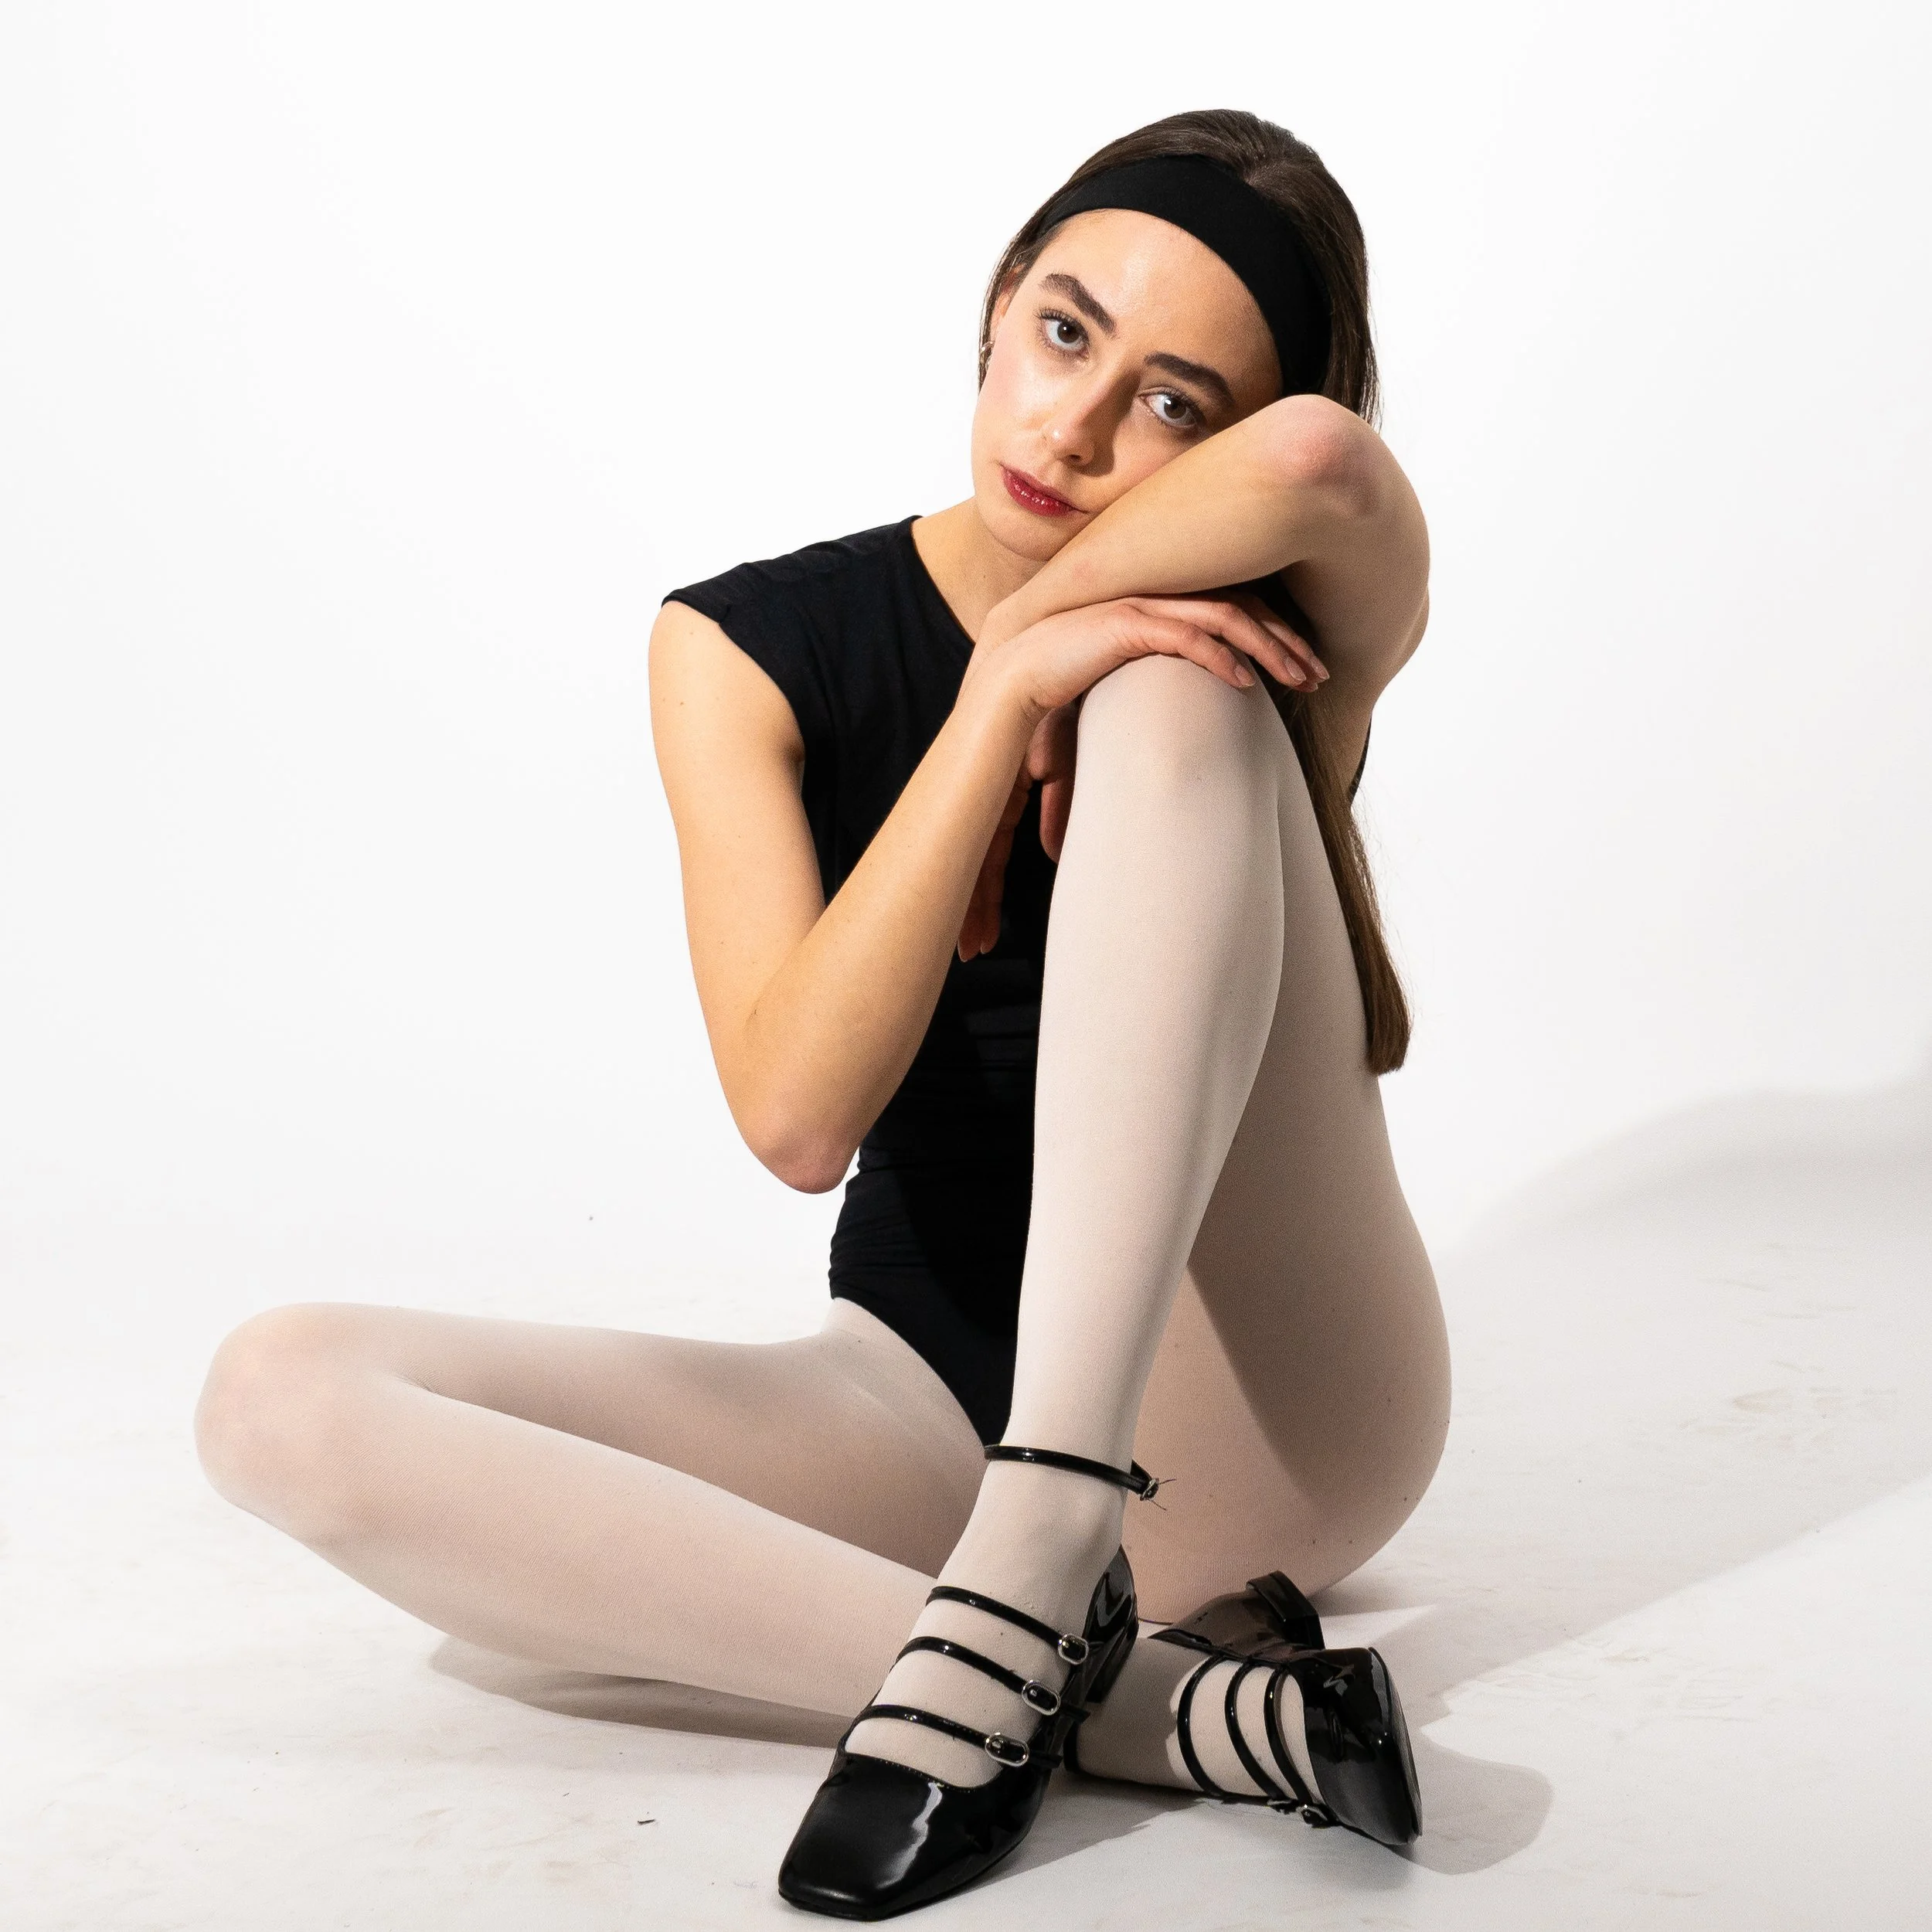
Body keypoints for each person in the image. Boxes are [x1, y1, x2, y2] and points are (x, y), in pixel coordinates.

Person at [194, 107, 1451, 1919]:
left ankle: (1041, 1540)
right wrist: (993, 689)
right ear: (998, 306)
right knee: (278, 1397)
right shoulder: (739, 648)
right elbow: (796, 1117)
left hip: (1258, 1391)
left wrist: (1077, 631)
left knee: (1164, 689)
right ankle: (1160, 1706)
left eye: (1174, 403)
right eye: (1066, 333)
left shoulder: (1277, 622)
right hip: (923, 1391)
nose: (1077, 427)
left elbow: (1332, 461)